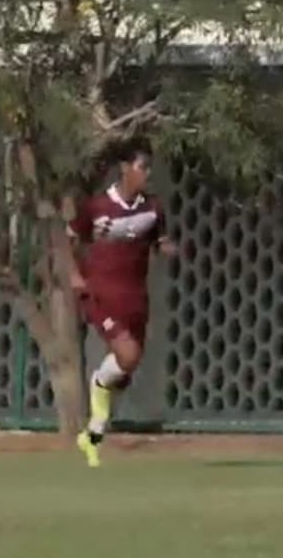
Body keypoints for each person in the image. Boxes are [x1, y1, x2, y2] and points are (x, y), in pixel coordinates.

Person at [68, 137, 177, 467]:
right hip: (100, 296)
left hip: (135, 298)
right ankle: (97, 397)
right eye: (142, 167)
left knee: (129, 365)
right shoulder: (98, 207)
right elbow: (72, 237)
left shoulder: (153, 208)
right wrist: (75, 275)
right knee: (127, 354)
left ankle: (92, 433)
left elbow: (161, 241)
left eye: (149, 168)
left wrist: (169, 248)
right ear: (125, 168)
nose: (147, 174)